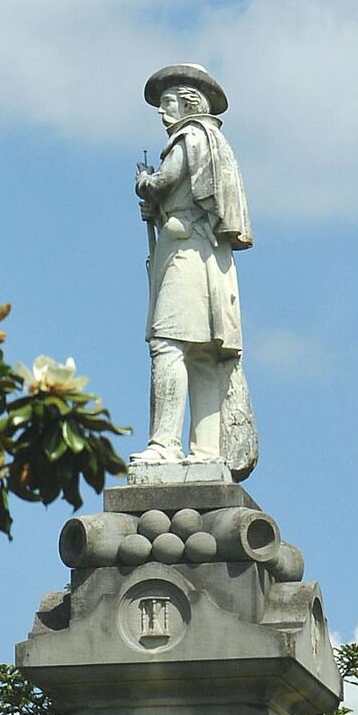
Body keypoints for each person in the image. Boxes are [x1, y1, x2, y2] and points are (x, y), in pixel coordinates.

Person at [132, 63, 258, 478]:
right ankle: (207, 450)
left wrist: (145, 184)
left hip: (186, 255)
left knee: (168, 345)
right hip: (209, 257)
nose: (161, 110)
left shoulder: (191, 136)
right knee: (203, 353)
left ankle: (163, 444)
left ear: (188, 105)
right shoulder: (215, 142)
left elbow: (165, 181)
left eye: (168, 101)